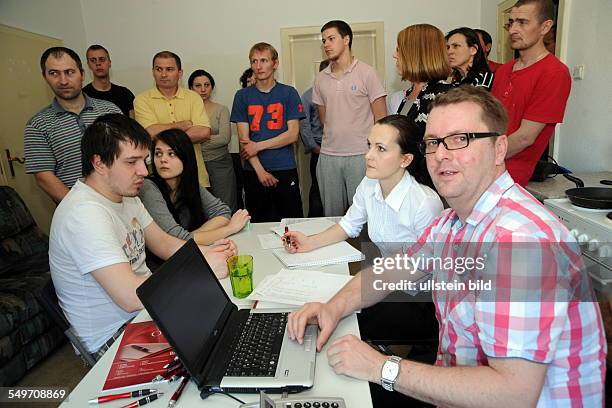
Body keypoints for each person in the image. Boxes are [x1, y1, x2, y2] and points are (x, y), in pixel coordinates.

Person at [287, 86, 605, 407]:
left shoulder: (519, 241)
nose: (441, 154)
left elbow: (513, 393)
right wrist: (333, 307)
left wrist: (380, 366)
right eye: (434, 142)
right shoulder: (452, 222)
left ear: (499, 149)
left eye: (459, 139)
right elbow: (391, 271)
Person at [49, 114, 237, 359]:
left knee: (228, 317)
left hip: (146, 311)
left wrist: (209, 254)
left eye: (144, 159)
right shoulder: (84, 214)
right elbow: (129, 297)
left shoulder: (127, 197)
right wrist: (200, 269)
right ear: (99, 163)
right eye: (132, 162)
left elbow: (164, 243)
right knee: (220, 345)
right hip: (116, 337)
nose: (144, 170)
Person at [284, 114, 443, 257]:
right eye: (369, 145)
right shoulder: (369, 184)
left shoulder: (425, 203)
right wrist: (309, 242)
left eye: (380, 148)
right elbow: (348, 225)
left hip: (418, 286)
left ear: (405, 159)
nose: (368, 155)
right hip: (387, 279)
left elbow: (429, 265)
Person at [24, 46, 122, 203]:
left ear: (82, 74)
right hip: (78, 209)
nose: (63, 81)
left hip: (120, 199)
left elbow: (128, 152)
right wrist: (80, 207)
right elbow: (44, 177)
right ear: (45, 77)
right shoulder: (37, 125)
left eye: (70, 72)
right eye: (54, 73)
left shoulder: (110, 110)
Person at [492, 0, 571, 186]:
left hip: (509, 177)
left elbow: (525, 137)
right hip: (485, 167)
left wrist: (481, 159)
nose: (512, 30)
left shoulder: (555, 72)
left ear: (545, 26)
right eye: (511, 22)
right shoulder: (505, 70)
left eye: (522, 22)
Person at [313, 20, 388, 216]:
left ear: (346, 40)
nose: (326, 44)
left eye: (331, 39)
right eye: (323, 41)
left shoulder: (367, 73)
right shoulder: (320, 78)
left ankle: (366, 249)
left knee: (365, 215)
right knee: (332, 216)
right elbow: (324, 119)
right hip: (329, 156)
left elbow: (382, 120)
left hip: (361, 155)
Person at [230, 42, 305, 222]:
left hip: (284, 167)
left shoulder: (289, 93)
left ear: (275, 63)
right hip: (254, 170)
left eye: (263, 60)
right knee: (258, 223)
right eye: (254, 61)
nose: (258, 66)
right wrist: (260, 172)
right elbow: (244, 140)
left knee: (291, 222)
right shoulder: (242, 96)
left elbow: (292, 134)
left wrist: (259, 146)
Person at [139, 128, 249, 248]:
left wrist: (189, 236)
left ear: (185, 156)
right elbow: (174, 238)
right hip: (161, 262)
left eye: (171, 154)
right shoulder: (148, 187)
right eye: (158, 153)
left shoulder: (188, 182)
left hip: (188, 253)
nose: (163, 160)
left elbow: (222, 212)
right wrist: (229, 229)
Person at [134, 51, 211, 187]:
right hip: (158, 178)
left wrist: (162, 134)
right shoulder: (141, 100)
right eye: (159, 69)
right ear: (153, 72)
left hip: (195, 175)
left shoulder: (193, 97)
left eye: (169, 69)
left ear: (180, 73)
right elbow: (150, 133)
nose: (163, 74)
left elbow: (204, 132)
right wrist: (183, 124)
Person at [392, 24, 453, 188]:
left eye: (399, 50)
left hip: (431, 188)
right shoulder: (408, 94)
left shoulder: (444, 96)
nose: (394, 55)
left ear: (415, 54)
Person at [188, 69, 238, 211]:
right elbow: (182, 138)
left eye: (207, 85)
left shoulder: (221, 109)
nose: (203, 89)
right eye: (198, 86)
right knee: (198, 208)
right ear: (190, 88)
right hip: (194, 163)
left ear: (212, 87)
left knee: (226, 204)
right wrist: (204, 137)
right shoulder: (187, 111)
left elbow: (224, 138)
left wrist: (196, 140)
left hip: (220, 163)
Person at [300, 59, 330, 217]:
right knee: (318, 190)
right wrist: (314, 147)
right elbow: (304, 125)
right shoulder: (308, 95)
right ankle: (314, 225)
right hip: (319, 150)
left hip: (342, 150)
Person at [83, 44, 136, 117]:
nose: (98, 63)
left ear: (109, 63)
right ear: (88, 65)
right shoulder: (83, 95)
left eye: (102, 59)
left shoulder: (125, 94)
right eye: (93, 60)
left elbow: (133, 125)